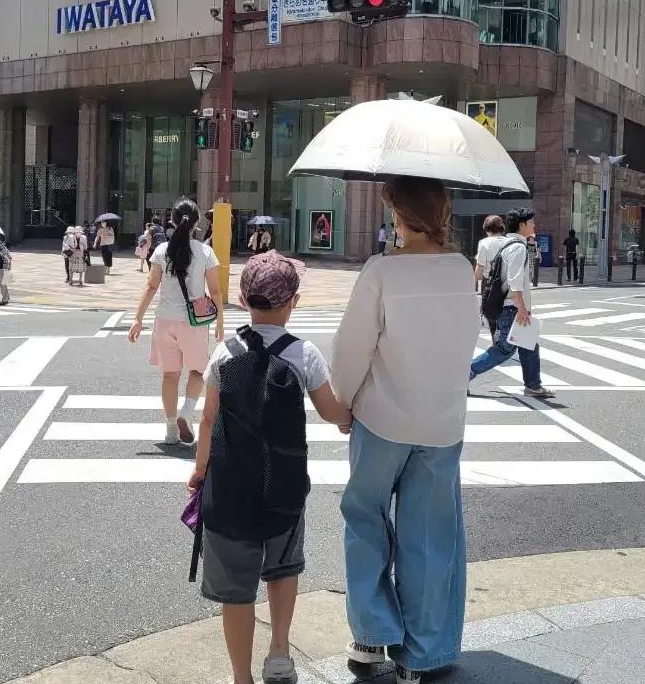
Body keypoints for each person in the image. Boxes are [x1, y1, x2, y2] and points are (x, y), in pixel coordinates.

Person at [330, 176, 481, 684]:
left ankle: (373, 636)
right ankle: (423, 654)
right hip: (441, 422)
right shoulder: (463, 271)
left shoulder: (382, 272)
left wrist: (342, 402)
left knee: (366, 519)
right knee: (430, 538)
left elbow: (352, 348)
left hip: (382, 417)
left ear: (401, 215)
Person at [188, 251, 351, 684]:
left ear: (243, 299)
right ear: (293, 302)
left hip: (229, 490)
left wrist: (200, 471)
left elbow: (207, 420)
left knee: (237, 593)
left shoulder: (225, 351)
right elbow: (332, 410)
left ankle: (242, 676)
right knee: (282, 569)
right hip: (284, 486)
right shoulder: (303, 354)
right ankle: (279, 652)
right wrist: (349, 419)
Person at [128, 198, 224, 445]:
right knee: (198, 370)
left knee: (170, 376)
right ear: (196, 223)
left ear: (172, 220)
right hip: (194, 323)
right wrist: (220, 323)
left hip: (165, 321)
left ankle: (171, 428)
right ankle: (187, 412)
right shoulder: (205, 252)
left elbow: (150, 286)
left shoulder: (161, 251)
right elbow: (215, 292)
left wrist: (138, 319)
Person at [469, 208, 556, 399]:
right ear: (522, 225)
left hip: (510, 305)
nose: (535, 225)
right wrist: (522, 308)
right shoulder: (517, 247)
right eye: (532, 222)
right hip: (512, 307)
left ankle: (533, 386)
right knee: (504, 349)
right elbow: (515, 281)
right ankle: (465, 374)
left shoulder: (510, 244)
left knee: (529, 345)